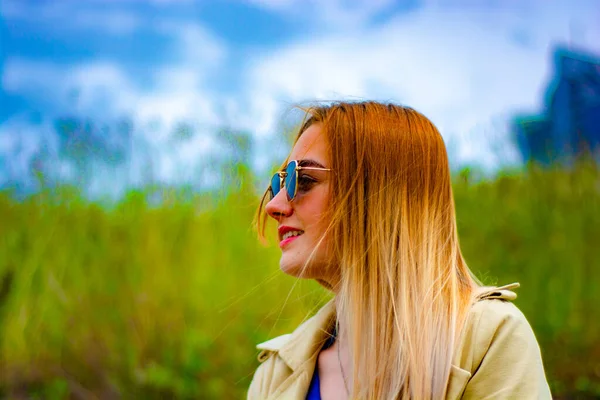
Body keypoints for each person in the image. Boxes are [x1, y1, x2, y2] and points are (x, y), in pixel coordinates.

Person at [248, 101, 551, 399]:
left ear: (379, 194)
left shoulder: (490, 341)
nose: (274, 206)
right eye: (279, 184)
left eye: (304, 179)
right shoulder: (275, 373)